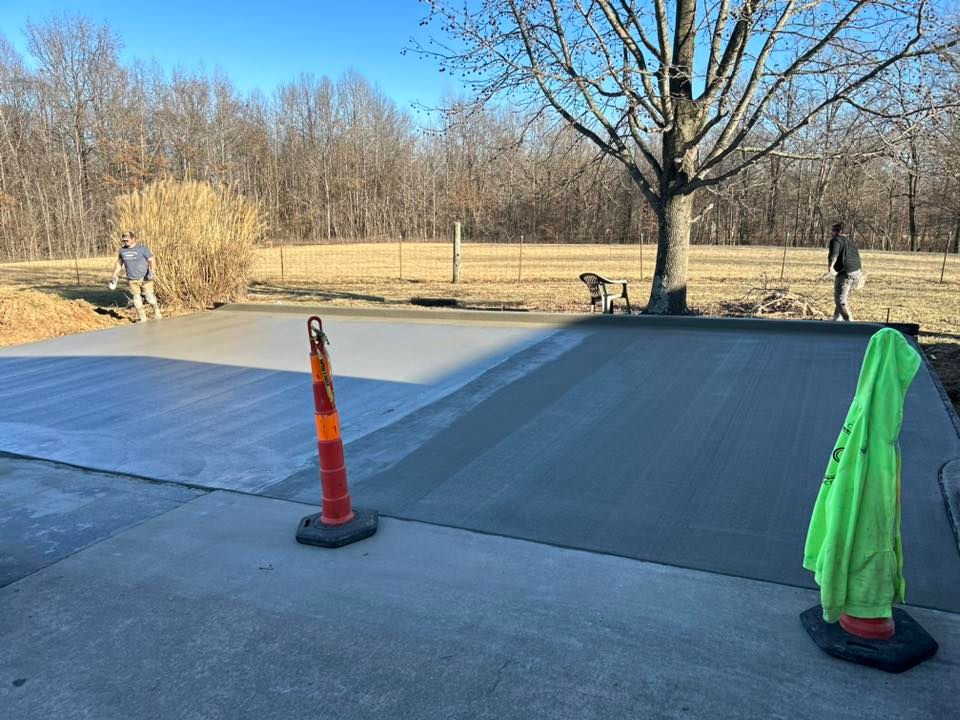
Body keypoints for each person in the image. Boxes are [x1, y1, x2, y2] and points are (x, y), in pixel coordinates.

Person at [109, 231, 162, 322]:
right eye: (124, 240)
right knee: (136, 299)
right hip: (132, 279)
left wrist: (152, 271)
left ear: (133, 239)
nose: (125, 242)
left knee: (150, 298)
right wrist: (114, 275)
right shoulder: (122, 251)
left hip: (145, 278)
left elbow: (151, 260)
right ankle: (143, 319)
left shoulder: (142, 249)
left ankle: (157, 311)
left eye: (127, 240)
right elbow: (119, 263)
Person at [826, 222, 863, 321]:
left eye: (835, 230)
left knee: (840, 300)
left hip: (846, 273)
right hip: (857, 272)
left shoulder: (836, 240)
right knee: (841, 296)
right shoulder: (849, 242)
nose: (832, 232)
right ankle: (837, 320)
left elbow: (834, 254)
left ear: (840, 231)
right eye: (832, 230)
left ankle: (850, 323)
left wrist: (830, 267)